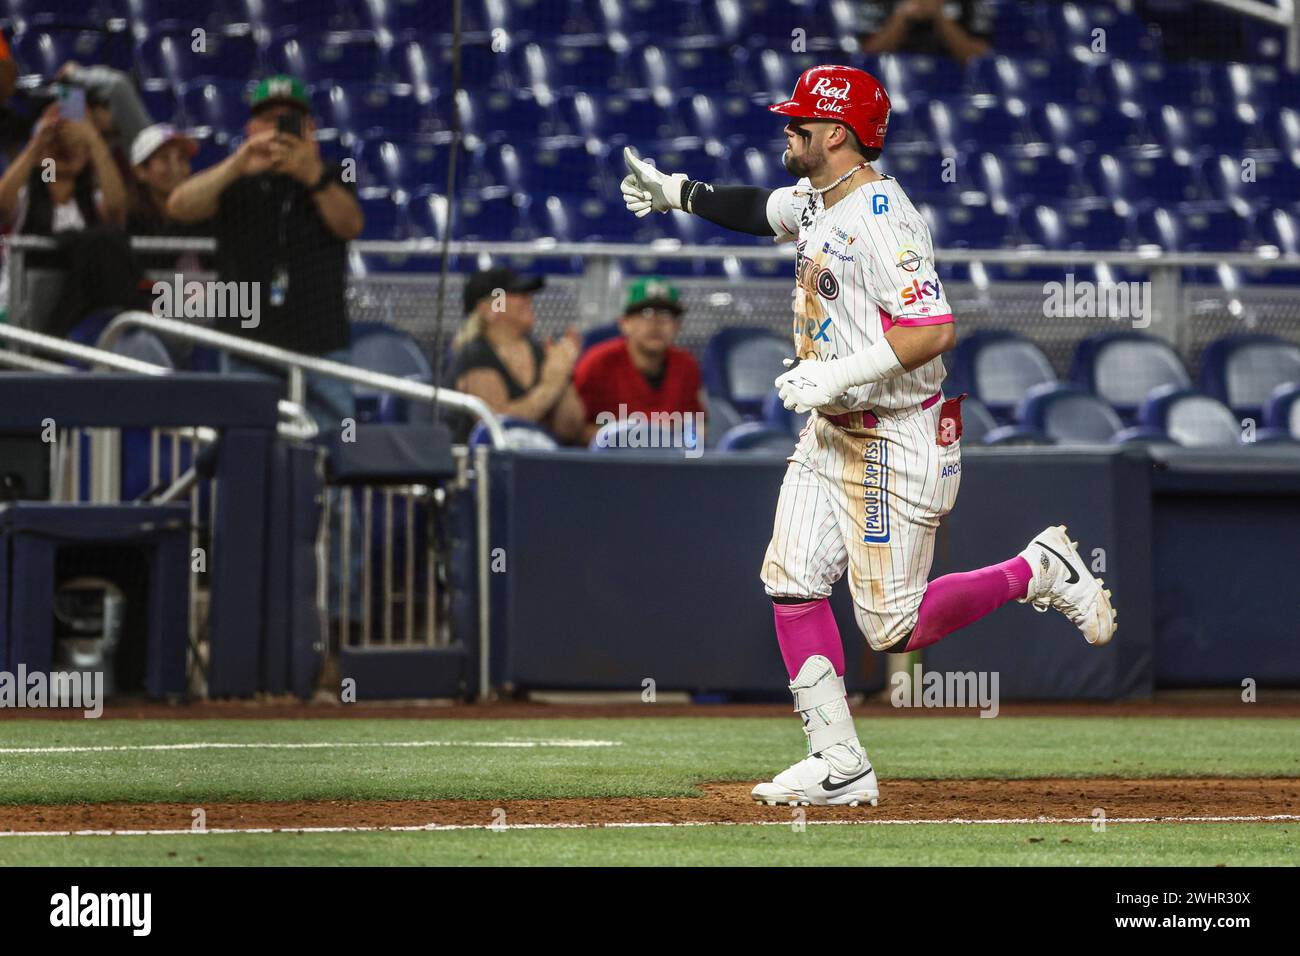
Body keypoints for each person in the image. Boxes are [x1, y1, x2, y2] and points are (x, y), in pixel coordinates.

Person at [620, 64, 1117, 807]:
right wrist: (676, 192)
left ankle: (1037, 570)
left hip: (893, 436)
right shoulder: (822, 201)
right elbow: (761, 209)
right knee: (790, 582)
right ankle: (840, 761)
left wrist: (834, 375)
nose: (787, 129)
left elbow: (934, 328)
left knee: (893, 626)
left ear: (839, 133)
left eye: (800, 122)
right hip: (831, 432)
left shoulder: (882, 214)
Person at [165, 75, 364, 434]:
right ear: (251, 127)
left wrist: (311, 174)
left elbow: (350, 225)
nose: (278, 130)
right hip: (247, 342)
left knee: (333, 451)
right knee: (248, 447)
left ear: (310, 130)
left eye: (289, 121)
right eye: (269, 121)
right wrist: (239, 163)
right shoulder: (234, 179)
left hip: (320, 344)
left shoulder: (332, 176)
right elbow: (178, 207)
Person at [0, 99, 130, 330]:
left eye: (74, 145)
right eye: (57, 144)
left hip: (79, 314)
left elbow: (117, 209)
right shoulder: (27, 194)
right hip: (22, 314)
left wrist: (91, 137)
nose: (65, 148)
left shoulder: (93, 198)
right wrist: (38, 144)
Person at [452, 266, 586, 444]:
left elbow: (570, 429)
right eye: (517, 294)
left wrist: (564, 375)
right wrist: (550, 387)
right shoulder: (474, 355)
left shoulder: (542, 352)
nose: (528, 299)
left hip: (540, 460)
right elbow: (496, 425)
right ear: (487, 308)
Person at [573, 276, 705, 445]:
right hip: (609, 464)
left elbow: (699, 426)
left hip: (668, 463)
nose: (655, 325)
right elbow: (575, 430)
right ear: (624, 323)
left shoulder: (687, 366)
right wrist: (636, 441)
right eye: (646, 314)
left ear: (677, 326)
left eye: (666, 315)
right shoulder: (597, 363)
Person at [857, 0, 993, 64]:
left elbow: (979, 59)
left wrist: (940, 17)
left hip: (954, 85)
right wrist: (902, 17)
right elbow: (867, 57)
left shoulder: (970, 3)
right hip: (890, 82)